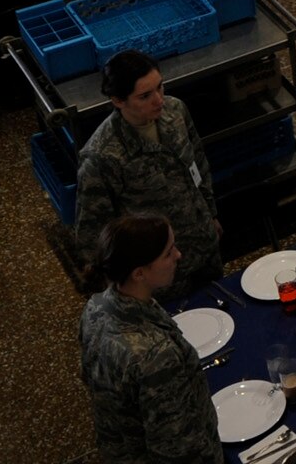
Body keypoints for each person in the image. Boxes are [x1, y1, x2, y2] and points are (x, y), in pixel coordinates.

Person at [74, 51, 222, 303]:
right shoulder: (103, 156)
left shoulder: (175, 112)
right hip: (159, 278)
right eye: (145, 96)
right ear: (118, 100)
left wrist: (211, 213)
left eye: (160, 87)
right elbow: (92, 232)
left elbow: (198, 163)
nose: (159, 100)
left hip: (204, 249)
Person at [77, 214, 226, 464]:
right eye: (168, 253)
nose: (178, 255)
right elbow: (176, 449)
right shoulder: (155, 355)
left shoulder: (95, 307)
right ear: (139, 273)